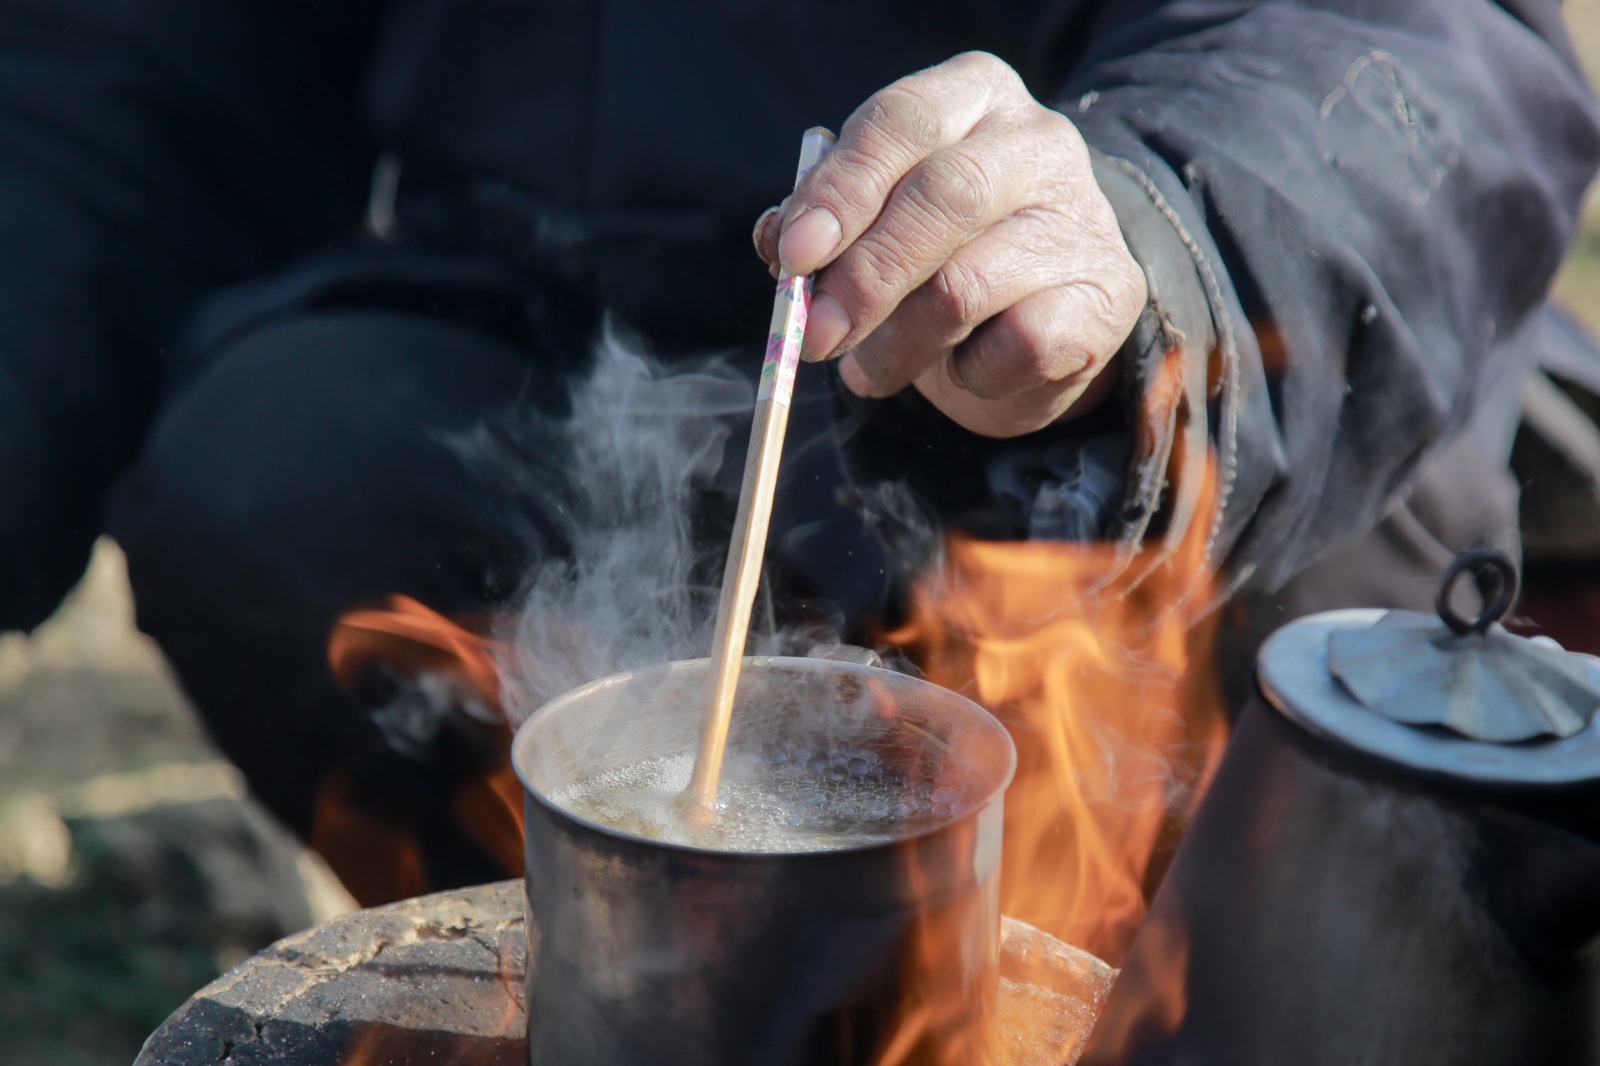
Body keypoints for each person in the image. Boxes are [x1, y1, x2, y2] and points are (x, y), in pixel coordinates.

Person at [0, 0, 1595, 901]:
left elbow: (1433, 44)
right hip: (573, 334)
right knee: (280, 470)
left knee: (1276, 703)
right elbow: (132, 78)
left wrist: (1164, 238)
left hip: (1161, 387)